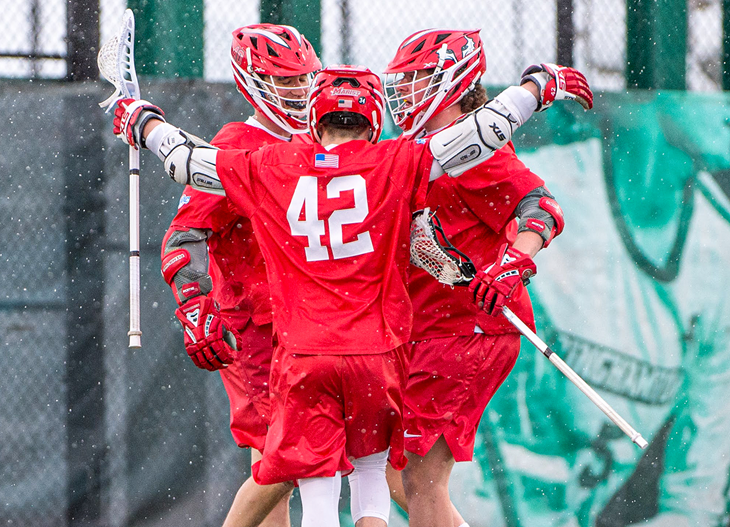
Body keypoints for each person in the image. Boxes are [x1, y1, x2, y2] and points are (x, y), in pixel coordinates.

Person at [110, 62, 590, 526]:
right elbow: (478, 134)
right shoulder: (397, 161)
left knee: (317, 487)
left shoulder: (270, 166)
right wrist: (536, 88)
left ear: (314, 120)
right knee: (371, 475)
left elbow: (184, 162)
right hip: (377, 355)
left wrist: (143, 120)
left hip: (304, 354)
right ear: (374, 119)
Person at [380, 29, 592, 527]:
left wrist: (511, 265)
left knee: (420, 479)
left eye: (417, 78)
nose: (404, 90)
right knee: (398, 479)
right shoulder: (414, 149)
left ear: (452, 82)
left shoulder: (479, 152)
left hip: (468, 331)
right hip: (428, 330)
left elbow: (541, 208)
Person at [158, 23, 321, 527]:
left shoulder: (317, 140)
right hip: (256, 327)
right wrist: (193, 301)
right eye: (287, 81)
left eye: (304, 79)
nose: (300, 90)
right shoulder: (235, 145)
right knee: (282, 461)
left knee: (291, 463)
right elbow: (184, 235)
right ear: (253, 81)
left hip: (310, 322)